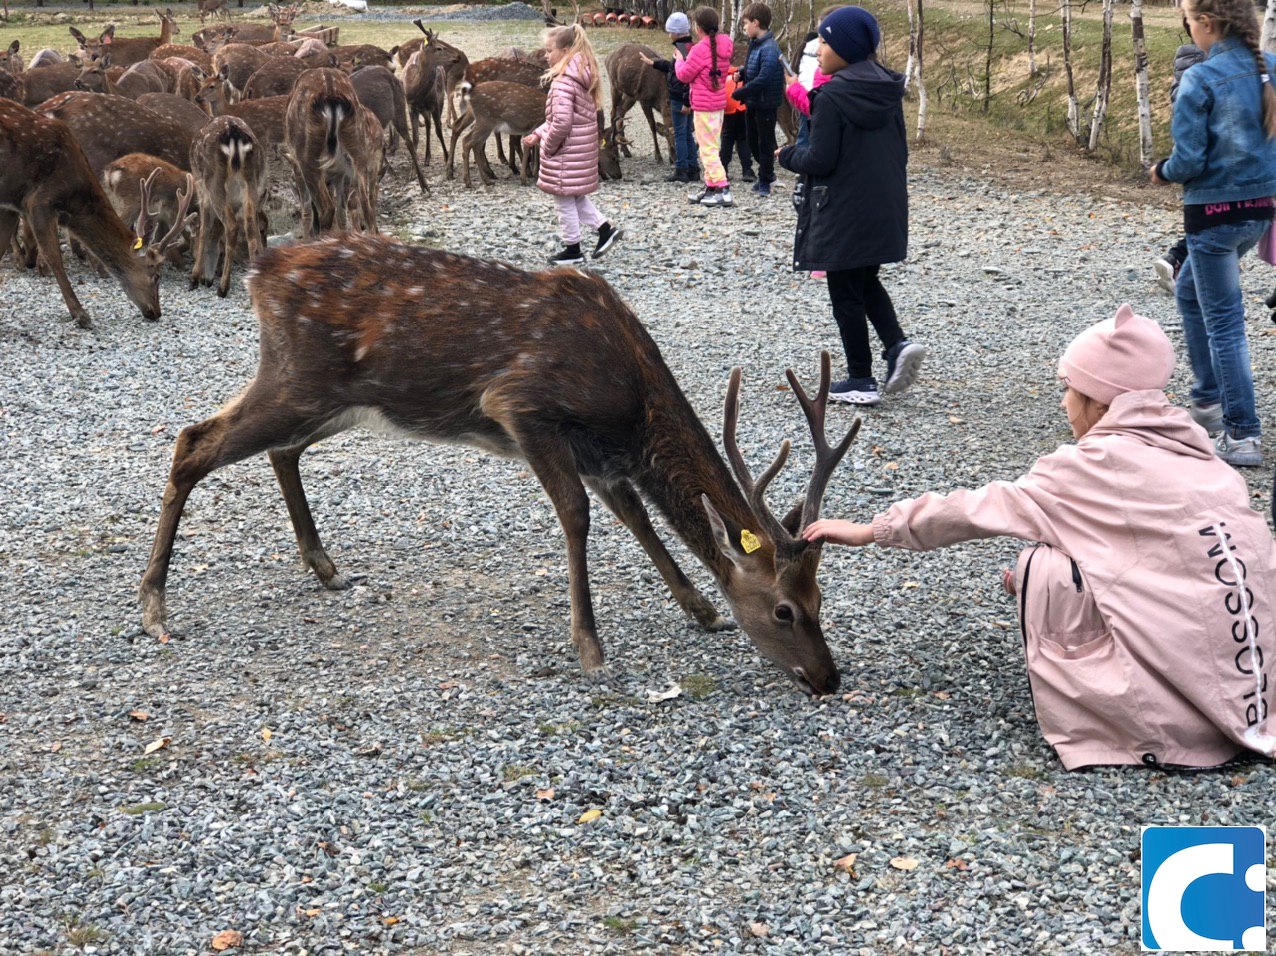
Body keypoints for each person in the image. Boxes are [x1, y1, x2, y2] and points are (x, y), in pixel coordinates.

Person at [805, 305, 1276, 771]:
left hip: (1187, 718)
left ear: (1098, 400)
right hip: (1255, 681)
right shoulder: (1201, 457)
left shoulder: (1091, 468)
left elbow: (976, 509)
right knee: (1076, 546)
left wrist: (873, 529)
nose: (1063, 402)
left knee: (1044, 565)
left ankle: (1123, 720)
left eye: (1068, 388)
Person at [1150, 0, 1276, 467]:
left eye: (1187, 20)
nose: (1188, 28)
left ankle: (1242, 432)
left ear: (1205, 24)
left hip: (1213, 216)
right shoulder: (1271, 69)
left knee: (1225, 322)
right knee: (1188, 292)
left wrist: (1162, 171)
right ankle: (1206, 400)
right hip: (1260, 211)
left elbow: (1189, 160)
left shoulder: (1200, 79)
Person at [777, 5, 924, 405]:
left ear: (845, 48)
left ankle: (860, 377)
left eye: (825, 41)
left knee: (844, 291)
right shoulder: (886, 89)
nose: (819, 48)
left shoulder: (833, 96)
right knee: (865, 280)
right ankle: (896, 345)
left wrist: (787, 156)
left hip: (843, 210)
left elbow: (821, 160)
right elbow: (901, 152)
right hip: (882, 205)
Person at [523, 25, 623, 265]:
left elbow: (562, 123)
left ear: (565, 50)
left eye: (550, 50)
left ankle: (573, 249)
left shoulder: (562, 84)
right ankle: (605, 230)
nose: (546, 55)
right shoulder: (581, 77)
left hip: (566, 153)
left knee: (564, 201)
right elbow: (564, 119)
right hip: (579, 152)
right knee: (575, 197)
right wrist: (538, 133)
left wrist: (547, 146)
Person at [1152, 41, 1206, 293]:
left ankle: (1178, 261)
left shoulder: (1182, 82)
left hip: (1191, 161)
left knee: (1206, 223)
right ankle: (1177, 261)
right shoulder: (1204, 80)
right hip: (1208, 164)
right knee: (1211, 226)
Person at [674, 6, 735, 207]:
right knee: (712, 146)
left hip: (703, 106)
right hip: (717, 105)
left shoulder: (700, 49)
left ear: (698, 27)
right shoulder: (724, 45)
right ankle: (711, 186)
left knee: (707, 149)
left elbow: (684, 75)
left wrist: (679, 60)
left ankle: (723, 188)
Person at [733, 2, 785, 196]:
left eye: (745, 23)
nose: (744, 28)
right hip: (753, 102)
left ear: (756, 22)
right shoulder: (756, 45)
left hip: (765, 104)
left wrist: (742, 92)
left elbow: (765, 77)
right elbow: (756, 70)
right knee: (753, 141)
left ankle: (765, 180)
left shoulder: (770, 48)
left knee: (764, 143)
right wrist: (743, 73)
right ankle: (768, 176)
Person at [647, 12, 700, 184]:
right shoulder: (689, 46)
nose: (669, 35)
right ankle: (693, 169)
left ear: (676, 32)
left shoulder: (682, 49)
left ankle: (681, 170)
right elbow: (673, 67)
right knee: (687, 134)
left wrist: (685, 101)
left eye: (670, 31)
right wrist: (654, 63)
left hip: (680, 99)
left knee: (680, 134)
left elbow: (687, 77)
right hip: (687, 98)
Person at [720, 65, 756, 182]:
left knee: (727, 138)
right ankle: (747, 170)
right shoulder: (740, 74)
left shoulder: (723, 74)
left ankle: (723, 169)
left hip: (728, 109)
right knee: (743, 139)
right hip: (742, 107)